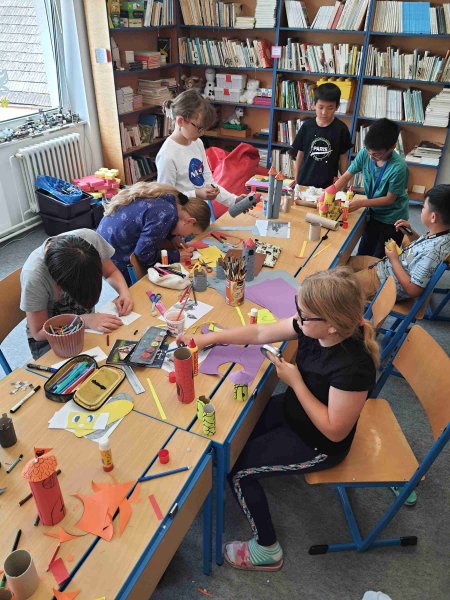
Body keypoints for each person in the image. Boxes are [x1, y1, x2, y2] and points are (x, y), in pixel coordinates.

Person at [177, 268, 378, 571]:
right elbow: (260, 333)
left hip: (319, 443)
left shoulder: (353, 367)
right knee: (234, 436)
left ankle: (267, 548)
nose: (298, 317)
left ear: (331, 325)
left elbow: (334, 431)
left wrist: (295, 382)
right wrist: (209, 338)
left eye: (304, 314)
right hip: (295, 411)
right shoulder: (312, 327)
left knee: (238, 470)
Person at [20, 229, 133, 359]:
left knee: (116, 348)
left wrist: (124, 292)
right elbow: (38, 332)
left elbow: (110, 272)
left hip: (87, 324)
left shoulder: (90, 242)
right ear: (59, 283)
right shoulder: (34, 276)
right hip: (50, 338)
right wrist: (85, 320)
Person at [349, 184, 450, 301]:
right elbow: (421, 248)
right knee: (344, 264)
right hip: (385, 267)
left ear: (433, 217)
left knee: (341, 287)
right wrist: (410, 232)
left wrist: (394, 259)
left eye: (423, 207)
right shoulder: (441, 234)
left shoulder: (433, 251)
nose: (421, 210)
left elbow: (413, 290)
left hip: (385, 282)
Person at [97, 182, 210, 284]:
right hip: (111, 260)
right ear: (190, 221)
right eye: (191, 233)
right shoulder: (167, 214)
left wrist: (172, 237)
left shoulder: (170, 202)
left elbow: (149, 223)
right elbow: (144, 255)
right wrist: (176, 256)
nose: (185, 236)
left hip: (102, 243)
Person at [155, 89, 246, 209]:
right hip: (182, 216)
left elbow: (208, 182)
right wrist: (196, 194)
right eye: (199, 128)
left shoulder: (197, 143)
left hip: (201, 212)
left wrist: (234, 200)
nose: (202, 133)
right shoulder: (167, 155)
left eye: (204, 129)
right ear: (181, 121)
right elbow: (166, 198)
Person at [334, 118, 409, 258]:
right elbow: (346, 176)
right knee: (364, 252)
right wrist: (331, 191)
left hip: (392, 220)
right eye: (369, 152)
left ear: (392, 147)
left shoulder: (399, 168)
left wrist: (361, 203)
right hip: (373, 213)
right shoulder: (365, 153)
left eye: (376, 154)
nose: (371, 157)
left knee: (380, 258)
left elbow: (390, 199)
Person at [291, 82, 352, 190]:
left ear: (337, 107)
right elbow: (300, 154)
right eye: (321, 107)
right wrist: (297, 179)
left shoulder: (341, 129)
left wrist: (343, 184)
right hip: (305, 183)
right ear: (314, 105)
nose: (324, 112)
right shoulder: (307, 126)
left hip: (328, 186)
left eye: (330, 108)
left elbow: (343, 158)